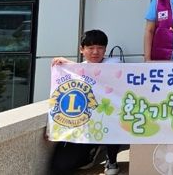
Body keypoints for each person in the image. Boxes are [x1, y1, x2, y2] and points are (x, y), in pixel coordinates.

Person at [50, 29, 121, 175]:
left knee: (113, 119)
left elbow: (99, 72)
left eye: (100, 48)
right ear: (81, 49)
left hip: (108, 119)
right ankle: (92, 152)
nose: (95, 52)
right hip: (85, 124)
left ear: (105, 50)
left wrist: (70, 64)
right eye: (90, 48)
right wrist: (51, 127)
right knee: (61, 165)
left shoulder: (114, 63)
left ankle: (111, 160)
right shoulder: (73, 71)